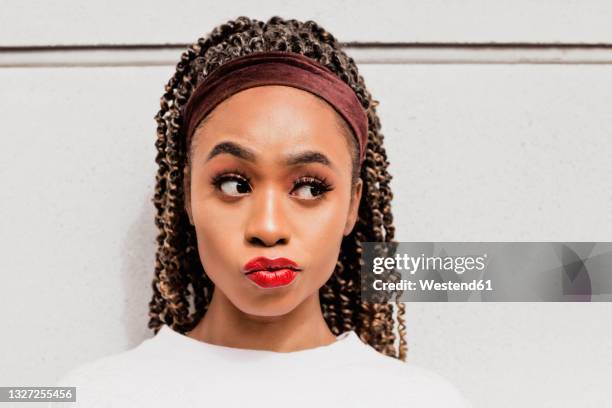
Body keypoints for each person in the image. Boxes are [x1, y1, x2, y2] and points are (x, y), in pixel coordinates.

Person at [51, 16, 472, 408]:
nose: (268, 228)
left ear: (352, 206)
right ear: (186, 195)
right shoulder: (92, 394)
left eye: (309, 188)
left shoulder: (422, 400)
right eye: (235, 184)